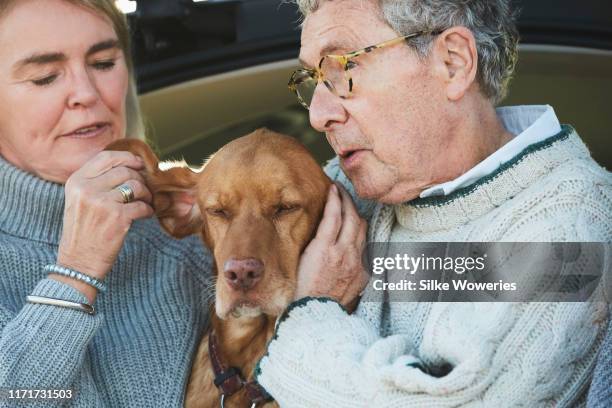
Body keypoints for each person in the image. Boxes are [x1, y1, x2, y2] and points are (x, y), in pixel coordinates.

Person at [254, 0, 612, 406]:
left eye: (344, 66)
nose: (319, 114)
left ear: (453, 63)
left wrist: (308, 313)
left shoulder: (575, 228)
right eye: (313, 77)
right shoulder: (346, 191)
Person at [0, 0, 212, 406]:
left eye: (103, 63)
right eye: (45, 77)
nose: (86, 93)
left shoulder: (195, 237)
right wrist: (77, 271)